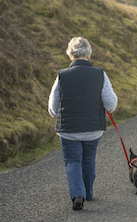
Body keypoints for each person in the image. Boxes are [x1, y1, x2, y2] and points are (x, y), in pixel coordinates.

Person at [48, 37, 118, 210]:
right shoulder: (100, 74)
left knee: (72, 161)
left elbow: (53, 108)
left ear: (70, 55)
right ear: (88, 54)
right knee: (88, 159)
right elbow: (111, 104)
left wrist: (59, 115)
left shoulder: (61, 75)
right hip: (93, 129)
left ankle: (77, 195)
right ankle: (87, 193)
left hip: (69, 130)